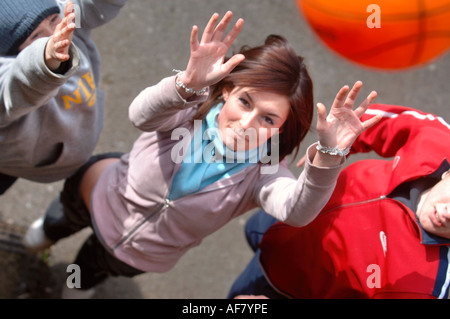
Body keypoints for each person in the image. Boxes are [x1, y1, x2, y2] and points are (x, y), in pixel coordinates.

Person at [23, 11, 380, 298]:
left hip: (136, 254)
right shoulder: (187, 110)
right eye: (245, 101)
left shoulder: (265, 171)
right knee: (57, 221)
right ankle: (36, 244)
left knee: (85, 273)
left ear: (282, 129)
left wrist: (330, 155)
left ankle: (71, 284)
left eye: (268, 118)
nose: (246, 122)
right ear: (226, 90)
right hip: (93, 193)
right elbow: (140, 115)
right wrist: (187, 84)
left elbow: (297, 211)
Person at [228, 104, 450, 299]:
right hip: (281, 216)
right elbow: (387, 120)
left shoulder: (423, 288)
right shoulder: (439, 141)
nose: (449, 214)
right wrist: (340, 144)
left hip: (283, 286)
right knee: (253, 230)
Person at [0, 0, 128, 195]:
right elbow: (20, 82)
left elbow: (92, 4)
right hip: (20, 162)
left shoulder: (65, 17)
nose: (54, 34)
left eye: (53, 20)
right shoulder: (8, 78)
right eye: (36, 36)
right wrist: (46, 56)